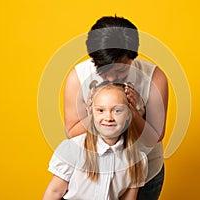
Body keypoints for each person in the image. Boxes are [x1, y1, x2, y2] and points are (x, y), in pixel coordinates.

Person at [64, 16, 168, 199]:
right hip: (92, 175)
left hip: (143, 176)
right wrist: (97, 109)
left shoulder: (153, 77)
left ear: (132, 58)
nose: (111, 78)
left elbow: (155, 137)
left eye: (120, 70)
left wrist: (132, 111)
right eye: (103, 71)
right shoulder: (78, 77)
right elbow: (72, 132)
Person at [43, 82, 148, 200]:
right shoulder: (73, 149)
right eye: (100, 110)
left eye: (117, 110)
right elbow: (54, 192)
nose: (108, 118)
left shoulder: (137, 160)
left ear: (129, 114)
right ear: (91, 113)